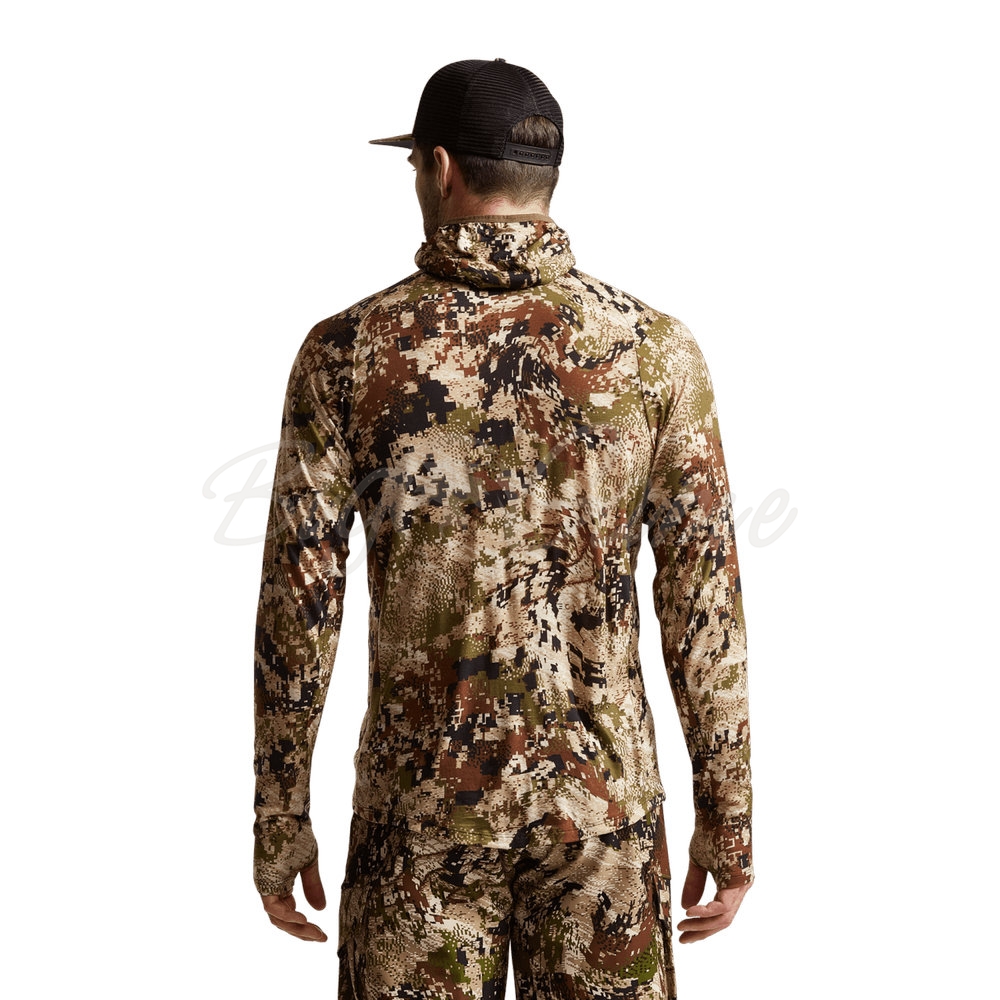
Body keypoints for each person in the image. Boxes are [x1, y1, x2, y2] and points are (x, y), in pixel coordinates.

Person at [253, 57, 753, 1000]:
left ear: (440, 169)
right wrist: (727, 820)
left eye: (416, 166)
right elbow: (705, 601)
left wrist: (280, 818)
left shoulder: (347, 352)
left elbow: (299, 604)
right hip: (601, 819)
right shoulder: (656, 353)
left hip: (419, 816)